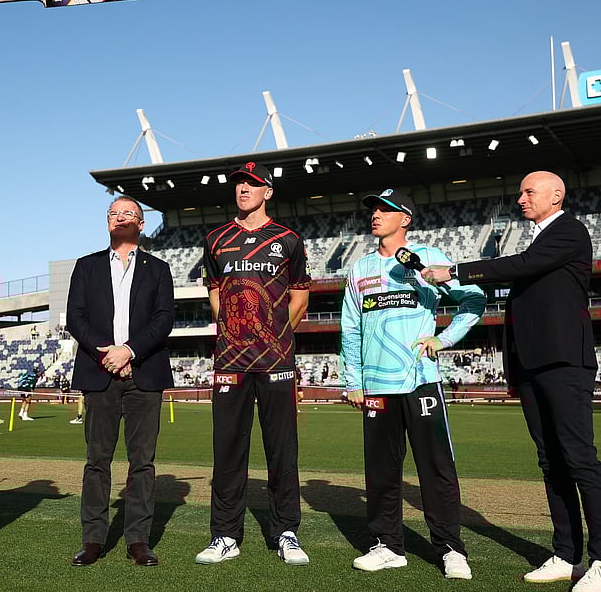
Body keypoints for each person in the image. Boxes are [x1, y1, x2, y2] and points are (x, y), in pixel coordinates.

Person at [422, 171, 601, 592]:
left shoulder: (569, 231)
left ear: (557, 194)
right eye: (520, 192)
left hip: (564, 361)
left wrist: (455, 271)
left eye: (529, 192)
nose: (521, 199)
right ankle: (566, 554)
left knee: (580, 459)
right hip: (533, 364)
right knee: (551, 462)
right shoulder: (542, 239)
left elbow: (523, 266)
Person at [340, 189, 485, 580]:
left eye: (385, 210)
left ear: (405, 218)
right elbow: (350, 327)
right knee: (381, 471)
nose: (376, 215)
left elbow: (473, 301)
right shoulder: (360, 269)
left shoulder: (429, 259)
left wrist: (444, 339)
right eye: (373, 209)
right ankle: (387, 545)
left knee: (436, 469)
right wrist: (353, 380)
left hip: (421, 381)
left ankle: (451, 549)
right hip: (376, 385)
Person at [195, 160, 312, 567]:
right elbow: (215, 292)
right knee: (227, 451)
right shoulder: (215, 239)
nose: (243, 189)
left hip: (276, 361)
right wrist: (233, 328)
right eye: (239, 184)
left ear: (268, 192)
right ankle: (226, 535)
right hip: (230, 360)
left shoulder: (289, 240)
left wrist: (276, 333)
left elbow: (300, 297)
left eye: (252, 184)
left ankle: (287, 532)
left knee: (282, 452)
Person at [65, 195, 175, 567]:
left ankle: (138, 540)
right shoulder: (86, 266)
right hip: (99, 374)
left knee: (142, 463)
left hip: (145, 372)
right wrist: (106, 353)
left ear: (141, 224)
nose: (120, 217)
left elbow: (164, 320)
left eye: (128, 213)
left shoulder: (159, 269)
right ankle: (93, 539)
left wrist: (128, 351)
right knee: (97, 461)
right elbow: (75, 318)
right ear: (107, 222)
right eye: (113, 213)